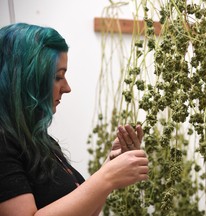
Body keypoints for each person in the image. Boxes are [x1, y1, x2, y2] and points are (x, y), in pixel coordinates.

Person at [0, 23, 149, 216]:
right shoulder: (3, 142)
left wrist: (110, 166)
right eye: (57, 77)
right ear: (26, 79)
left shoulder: (41, 142)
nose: (67, 87)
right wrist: (107, 177)